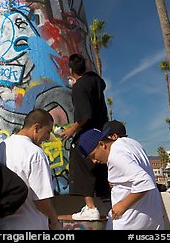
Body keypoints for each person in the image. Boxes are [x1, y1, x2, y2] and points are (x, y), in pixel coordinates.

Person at [77, 127, 164, 230]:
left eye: (93, 156)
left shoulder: (115, 155)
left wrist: (122, 206)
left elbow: (144, 182)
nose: (94, 161)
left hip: (129, 221)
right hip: (153, 218)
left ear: (102, 144)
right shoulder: (131, 143)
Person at [0, 108, 62, 230]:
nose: (48, 137)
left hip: (3, 225)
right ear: (37, 128)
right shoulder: (36, 153)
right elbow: (41, 200)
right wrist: (54, 219)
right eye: (48, 132)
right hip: (31, 225)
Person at [60, 53, 109, 221]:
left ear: (71, 70)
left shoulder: (80, 86)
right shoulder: (95, 81)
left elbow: (84, 116)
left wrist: (71, 130)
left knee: (79, 159)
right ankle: (107, 204)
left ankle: (90, 207)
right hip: (102, 130)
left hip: (88, 132)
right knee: (101, 167)